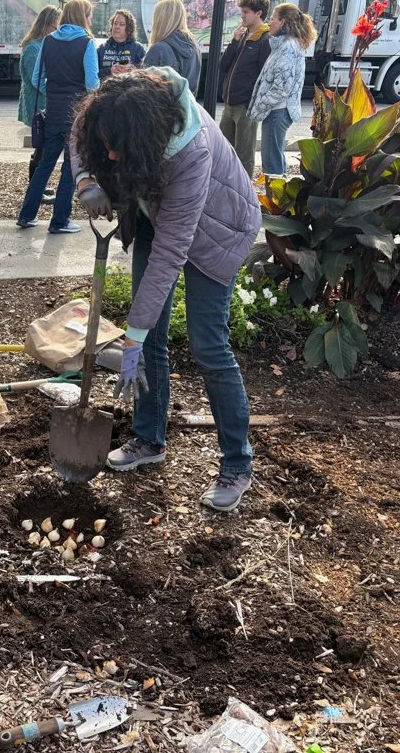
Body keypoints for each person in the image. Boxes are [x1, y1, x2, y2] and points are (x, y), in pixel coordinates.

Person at [71, 68, 260, 512]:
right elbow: (81, 133)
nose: (111, 155)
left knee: (208, 345)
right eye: (107, 147)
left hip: (218, 232)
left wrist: (132, 337)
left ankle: (237, 464)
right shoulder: (123, 101)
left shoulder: (190, 152)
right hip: (156, 210)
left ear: (144, 140)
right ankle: (148, 437)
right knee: (148, 335)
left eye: (118, 148)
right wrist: (86, 180)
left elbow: (171, 253)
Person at [16, 0, 99, 235]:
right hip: (75, 116)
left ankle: (26, 215)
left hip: (52, 112)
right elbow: (92, 84)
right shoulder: (87, 43)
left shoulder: (48, 40)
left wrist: (52, 92)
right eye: (89, 15)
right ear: (83, 17)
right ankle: (59, 221)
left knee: (44, 165)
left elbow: (36, 78)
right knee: (70, 168)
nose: (90, 19)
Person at [246, 3, 317, 177]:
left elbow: (281, 88)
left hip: (277, 111)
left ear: (283, 22)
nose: (269, 23)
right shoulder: (285, 46)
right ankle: (278, 191)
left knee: (272, 164)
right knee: (274, 159)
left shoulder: (287, 48)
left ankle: (275, 193)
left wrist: (260, 105)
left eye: (273, 19)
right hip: (278, 111)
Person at [218, 0, 272, 177]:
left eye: (246, 12)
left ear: (259, 13)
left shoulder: (264, 39)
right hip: (229, 104)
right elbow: (223, 66)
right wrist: (234, 42)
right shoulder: (242, 36)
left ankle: (244, 188)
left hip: (246, 107)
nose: (242, 16)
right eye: (242, 11)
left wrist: (254, 103)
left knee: (244, 154)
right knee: (224, 150)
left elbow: (266, 76)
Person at [19, 6, 62, 206]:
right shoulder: (33, 48)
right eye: (55, 27)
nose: (57, 31)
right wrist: (56, 91)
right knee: (41, 149)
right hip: (37, 104)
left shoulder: (39, 45)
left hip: (41, 103)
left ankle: (38, 187)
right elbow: (36, 80)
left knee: (42, 148)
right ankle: (34, 190)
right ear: (46, 25)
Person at [143, 0, 201, 93]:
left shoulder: (158, 49)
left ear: (160, 20)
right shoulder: (194, 46)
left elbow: (143, 90)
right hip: (186, 102)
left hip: (162, 102)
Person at [98, 9, 146, 80]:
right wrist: (110, 71)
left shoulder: (138, 49)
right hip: (106, 86)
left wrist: (131, 71)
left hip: (129, 86)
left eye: (122, 24)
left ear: (129, 28)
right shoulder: (101, 48)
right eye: (115, 23)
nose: (117, 27)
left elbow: (145, 74)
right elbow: (92, 74)